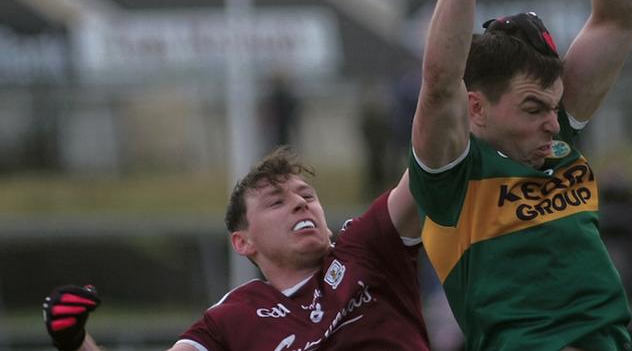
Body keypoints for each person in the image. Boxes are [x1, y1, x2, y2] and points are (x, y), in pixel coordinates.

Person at [408, 0, 632, 350]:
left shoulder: (555, 143)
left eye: (553, 107)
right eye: (533, 109)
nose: (554, 123)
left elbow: (623, 16)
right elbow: (440, 82)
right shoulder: (452, 182)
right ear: (475, 107)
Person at [43, 146, 431, 351]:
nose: (300, 203)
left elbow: (430, 163)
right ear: (243, 242)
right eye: (277, 202)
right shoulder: (232, 317)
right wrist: (75, 342)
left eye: (307, 195)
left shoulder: (366, 249)